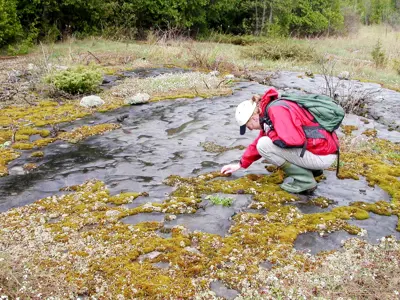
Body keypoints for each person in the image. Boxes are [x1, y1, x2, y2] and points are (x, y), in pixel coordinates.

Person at [221, 87, 339, 194]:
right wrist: (240, 164)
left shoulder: (276, 111)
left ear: (253, 118)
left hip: (322, 156)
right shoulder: (270, 110)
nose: (250, 129)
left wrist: (270, 133)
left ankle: (305, 181)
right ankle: (314, 171)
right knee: (264, 142)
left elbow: (293, 141)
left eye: (248, 126)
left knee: (264, 145)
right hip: (323, 151)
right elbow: (258, 141)